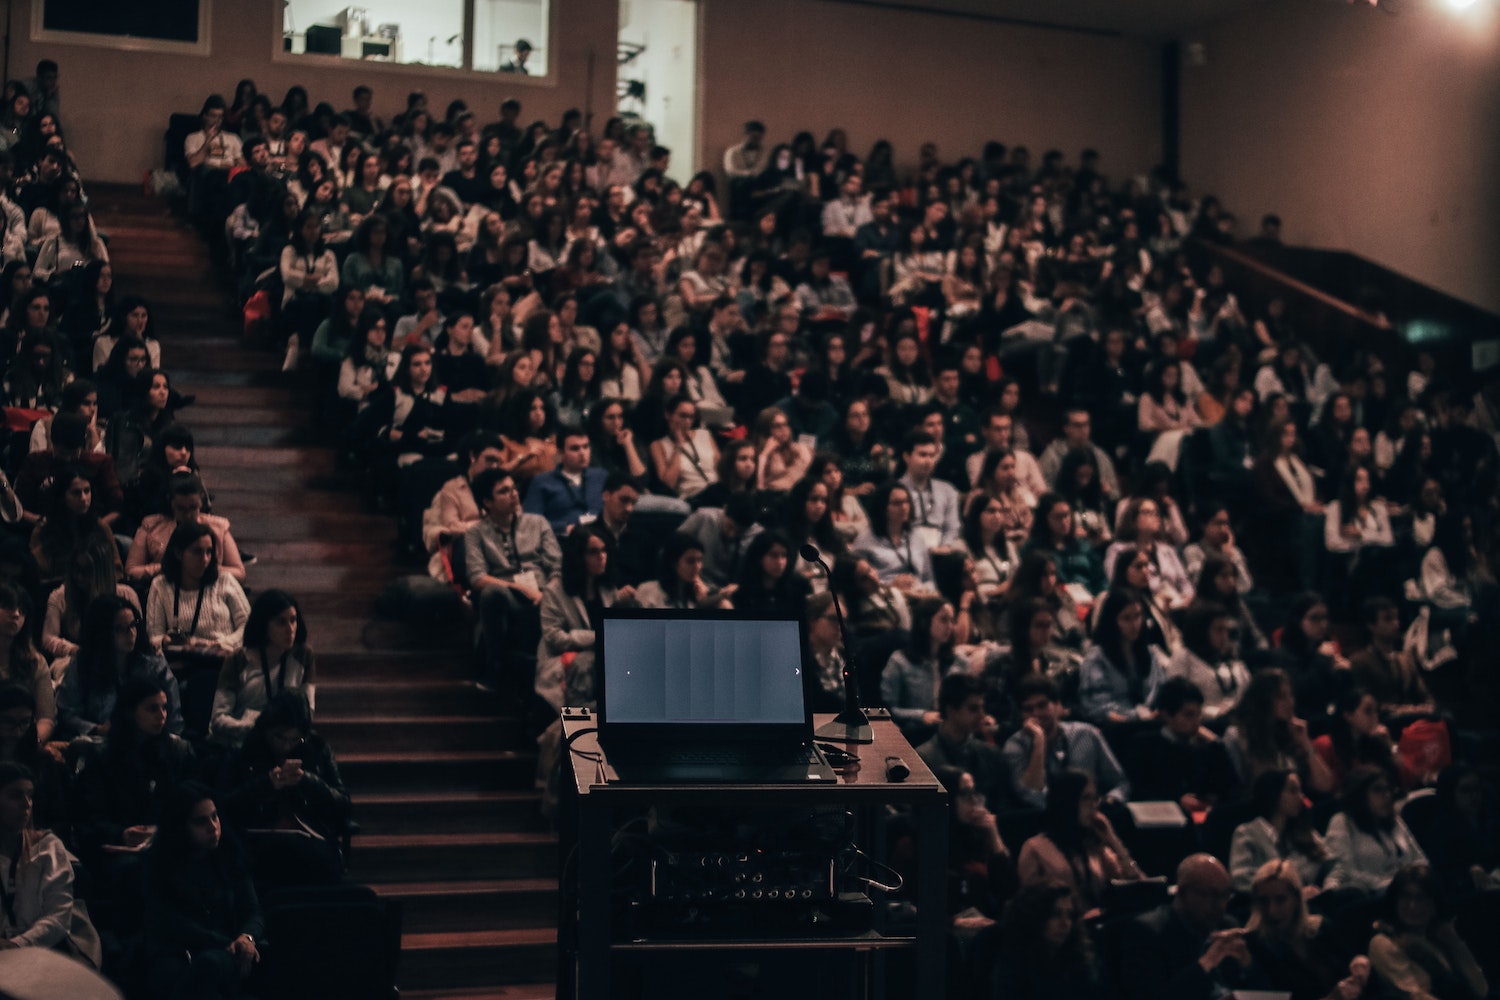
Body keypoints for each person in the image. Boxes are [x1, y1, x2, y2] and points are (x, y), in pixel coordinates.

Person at [217, 690, 348, 888]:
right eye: (279, 737)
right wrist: (265, 785)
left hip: (310, 835)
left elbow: (343, 803)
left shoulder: (317, 749)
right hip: (259, 837)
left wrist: (308, 781)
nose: (286, 745)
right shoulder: (246, 749)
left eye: (294, 739)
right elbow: (224, 804)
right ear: (267, 730)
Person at [143, 782, 263, 1000]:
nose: (213, 827)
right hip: (180, 952)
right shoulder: (161, 866)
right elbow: (169, 922)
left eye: (215, 817)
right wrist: (226, 943)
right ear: (180, 827)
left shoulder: (230, 856)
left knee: (213, 965)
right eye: (201, 821)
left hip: (227, 952)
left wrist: (247, 938)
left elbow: (253, 911)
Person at [463, 469, 561, 697]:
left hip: (545, 593)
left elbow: (557, 566)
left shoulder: (537, 523)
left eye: (514, 488)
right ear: (487, 502)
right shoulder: (476, 533)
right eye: (504, 491)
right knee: (491, 594)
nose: (514, 494)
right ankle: (494, 667)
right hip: (508, 596)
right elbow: (478, 578)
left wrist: (549, 593)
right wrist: (522, 589)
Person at [1119, 854, 1257, 1000]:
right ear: (1183, 893)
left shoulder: (1227, 925)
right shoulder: (1147, 933)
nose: (1221, 905)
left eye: (1225, 895)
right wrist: (1207, 962)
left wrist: (1247, 964)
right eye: (1212, 895)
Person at [535, 524, 635, 713]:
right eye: (593, 552)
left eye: (604, 550)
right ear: (578, 556)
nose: (602, 556)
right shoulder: (554, 590)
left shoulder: (608, 589)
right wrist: (598, 637)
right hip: (562, 664)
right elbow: (555, 639)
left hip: (603, 661)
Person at [55, 594, 181, 741]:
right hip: (101, 745)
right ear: (103, 633)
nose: (131, 634)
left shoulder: (153, 662)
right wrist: (96, 729)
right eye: (120, 629)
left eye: (133, 625)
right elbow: (67, 713)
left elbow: (173, 717)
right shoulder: (83, 664)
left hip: (150, 744)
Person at [1244, 859, 1373, 1000]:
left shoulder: (1318, 927)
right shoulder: (1256, 944)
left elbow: (1348, 964)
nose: (1271, 910)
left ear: (1296, 900)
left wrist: (1359, 962)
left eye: (1280, 900)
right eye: (1264, 901)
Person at [1017, 769, 1142, 913]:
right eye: (1086, 798)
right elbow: (1029, 906)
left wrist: (1113, 840)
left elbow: (1134, 882)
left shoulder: (1094, 846)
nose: (1094, 805)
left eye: (1095, 798)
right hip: (1060, 928)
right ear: (1067, 801)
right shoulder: (1035, 848)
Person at [1003, 675, 1130, 810]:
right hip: (1045, 820)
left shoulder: (1086, 734)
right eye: (1028, 709)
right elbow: (1030, 794)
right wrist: (1039, 742)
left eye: (1042, 705)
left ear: (1058, 705)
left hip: (1092, 814)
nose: (1036, 714)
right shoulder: (1015, 746)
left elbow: (1120, 783)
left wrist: (1110, 801)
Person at [209, 590, 314, 750]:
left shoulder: (303, 655)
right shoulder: (238, 659)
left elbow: (307, 713)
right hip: (243, 742)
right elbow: (218, 719)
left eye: (293, 621)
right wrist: (260, 727)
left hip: (286, 745)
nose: (290, 629)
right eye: (281, 622)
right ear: (264, 625)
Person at [1368, 864, 1488, 1000]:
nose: (1413, 906)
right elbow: (1415, 995)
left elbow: (1481, 989)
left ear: (1435, 902)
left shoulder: (1441, 938)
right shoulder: (1385, 943)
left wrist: (1455, 944)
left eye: (1422, 898)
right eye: (1406, 897)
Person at [0, 761, 84, 954]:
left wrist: (18, 944)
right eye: (15, 795)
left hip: (41, 953)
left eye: (30, 796)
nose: (26, 804)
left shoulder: (47, 847)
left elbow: (58, 916)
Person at [1132, 677, 1241, 813]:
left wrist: (1213, 798)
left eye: (1199, 715)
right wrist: (1177, 800)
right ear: (1166, 715)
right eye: (1189, 715)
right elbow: (1141, 792)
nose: (1197, 722)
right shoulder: (1145, 746)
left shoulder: (1210, 748)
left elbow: (1233, 790)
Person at [1222, 668, 1337, 795]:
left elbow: (1325, 785)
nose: (1290, 702)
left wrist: (1305, 742)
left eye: (1291, 695)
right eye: (1281, 697)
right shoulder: (1242, 734)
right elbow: (1266, 789)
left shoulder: (1292, 732)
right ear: (1264, 700)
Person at [990, 881, 1106, 1000]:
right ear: (1035, 916)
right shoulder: (1014, 965)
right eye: (1055, 914)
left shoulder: (1078, 955)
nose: (1065, 923)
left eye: (1070, 915)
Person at [1324, 766, 1426, 896]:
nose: (1387, 796)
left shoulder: (1395, 821)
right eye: (1378, 790)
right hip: (1367, 895)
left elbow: (1419, 857)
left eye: (1389, 789)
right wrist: (1388, 884)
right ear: (1359, 794)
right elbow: (1346, 870)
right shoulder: (1342, 822)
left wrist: (1415, 878)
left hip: (1405, 891)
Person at [1229, 770, 1331, 893]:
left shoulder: (1302, 832)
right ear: (1274, 794)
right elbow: (1241, 879)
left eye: (1301, 791)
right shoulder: (1247, 834)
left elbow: (1332, 862)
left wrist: (1329, 887)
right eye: (1293, 791)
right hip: (1268, 906)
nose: (1301, 797)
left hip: (1311, 900)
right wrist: (1294, 895)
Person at [880, 596, 965, 741]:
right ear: (924, 622)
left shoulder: (959, 662)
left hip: (951, 731)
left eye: (952, 620)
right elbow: (887, 709)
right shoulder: (900, 661)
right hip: (915, 731)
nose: (950, 626)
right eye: (944, 620)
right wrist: (922, 715)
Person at [1077, 587, 1164, 726]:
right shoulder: (1096, 657)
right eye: (1126, 618)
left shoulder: (1149, 652)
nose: (1134, 624)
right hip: (1118, 729)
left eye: (1138, 616)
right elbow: (1096, 706)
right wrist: (1133, 717)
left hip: (1152, 722)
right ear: (1112, 621)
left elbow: (1160, 689)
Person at [1167, 601, 1252, 722]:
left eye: (1226, 630)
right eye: (1218, 630)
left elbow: (1248, 693)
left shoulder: (1232, 659)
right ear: (1201, 631)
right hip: (1201, 725)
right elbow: (1177, 701)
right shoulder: (1184, 657)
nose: (1224, 636)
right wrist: (1215, 713)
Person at [522, 426, 607, 536]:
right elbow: (530, 524)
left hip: (601, 537)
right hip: (563, 540)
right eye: (575, 449)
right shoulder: (542, 482)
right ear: (561, 453)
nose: (582, 453)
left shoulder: (601, 476)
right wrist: (563, 528)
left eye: (586, 447)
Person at [853, 479, 934, 593]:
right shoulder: (865, 540)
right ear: (883, 508)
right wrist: (890, 586)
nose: (904, 507)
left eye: (907, 502)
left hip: (919, 593)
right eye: (897, 503)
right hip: (887, 596)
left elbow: (928, 578)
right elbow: (859, 583)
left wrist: (926, 590)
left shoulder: (916, 536)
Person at [0, 582, 53, 745]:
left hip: (23, 742)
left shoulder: (35, 661)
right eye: (7, 606)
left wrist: (32, 744)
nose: (16, 614)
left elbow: (46, 718)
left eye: (22, 610)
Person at [634, 532, 733, 610]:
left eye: (699, 560)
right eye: (690, 561)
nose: (697, 566)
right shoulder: (648, 590)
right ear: (673, 563)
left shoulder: (702, 594)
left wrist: (705, 603)